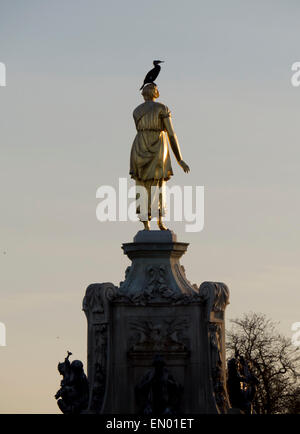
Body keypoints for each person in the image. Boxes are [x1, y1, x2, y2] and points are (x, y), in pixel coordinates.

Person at [130, 83, 190, 230]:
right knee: (158, 184)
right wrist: (179, 159)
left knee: (142, 184)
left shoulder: (136, 111)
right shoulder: (162, 109)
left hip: (139, 146)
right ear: (155, 93)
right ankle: (160, 221)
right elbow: (170, 133)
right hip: (157, 144)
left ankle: (146, 224)